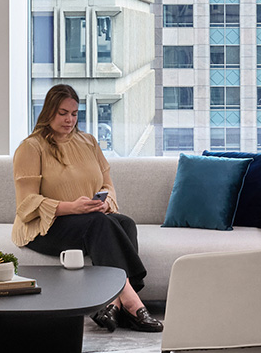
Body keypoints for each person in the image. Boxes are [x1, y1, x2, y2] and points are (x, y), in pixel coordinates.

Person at [11, 84, 161, 332]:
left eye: (74, 113)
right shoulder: (31, 147)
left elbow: (108, 186)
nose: (69, 119)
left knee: (125, 223)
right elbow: (26, 205)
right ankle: (133, 304)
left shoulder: (89, 142)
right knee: (99, 224)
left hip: (87, 220)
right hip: (45, 227)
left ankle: (113, 304)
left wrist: (105, 203)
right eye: (62, 113)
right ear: (48, 112)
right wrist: (71, 207)